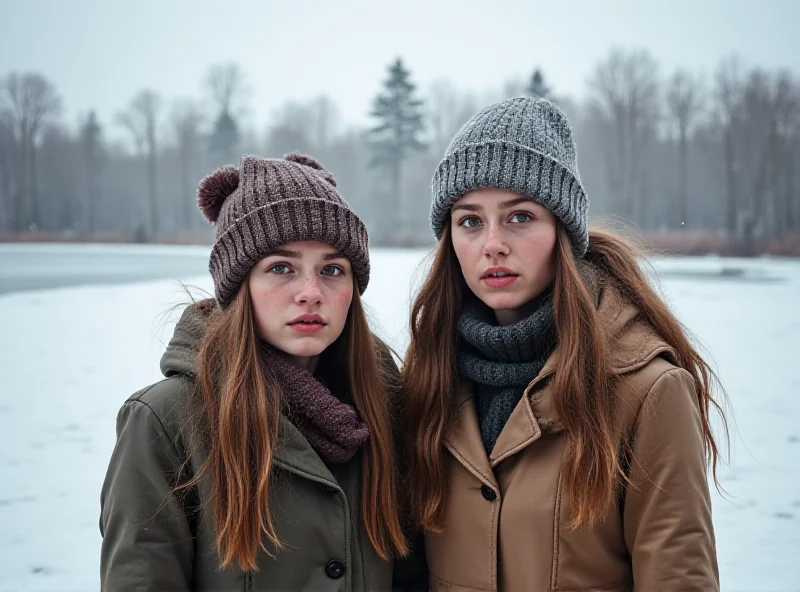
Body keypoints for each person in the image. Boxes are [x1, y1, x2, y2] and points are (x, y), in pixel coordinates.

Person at [401, 97, 726, 591]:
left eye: (520, 217)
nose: (492, 243)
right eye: (470, 221)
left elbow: (678, 578)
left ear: (562, 229)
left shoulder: (647, 392)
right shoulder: (427, 381)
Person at [100, 153, 418, 591]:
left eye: (331, 270)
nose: (310, 293)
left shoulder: (386, 406)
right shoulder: (165, 420)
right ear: (239, 286)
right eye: (281, 268)